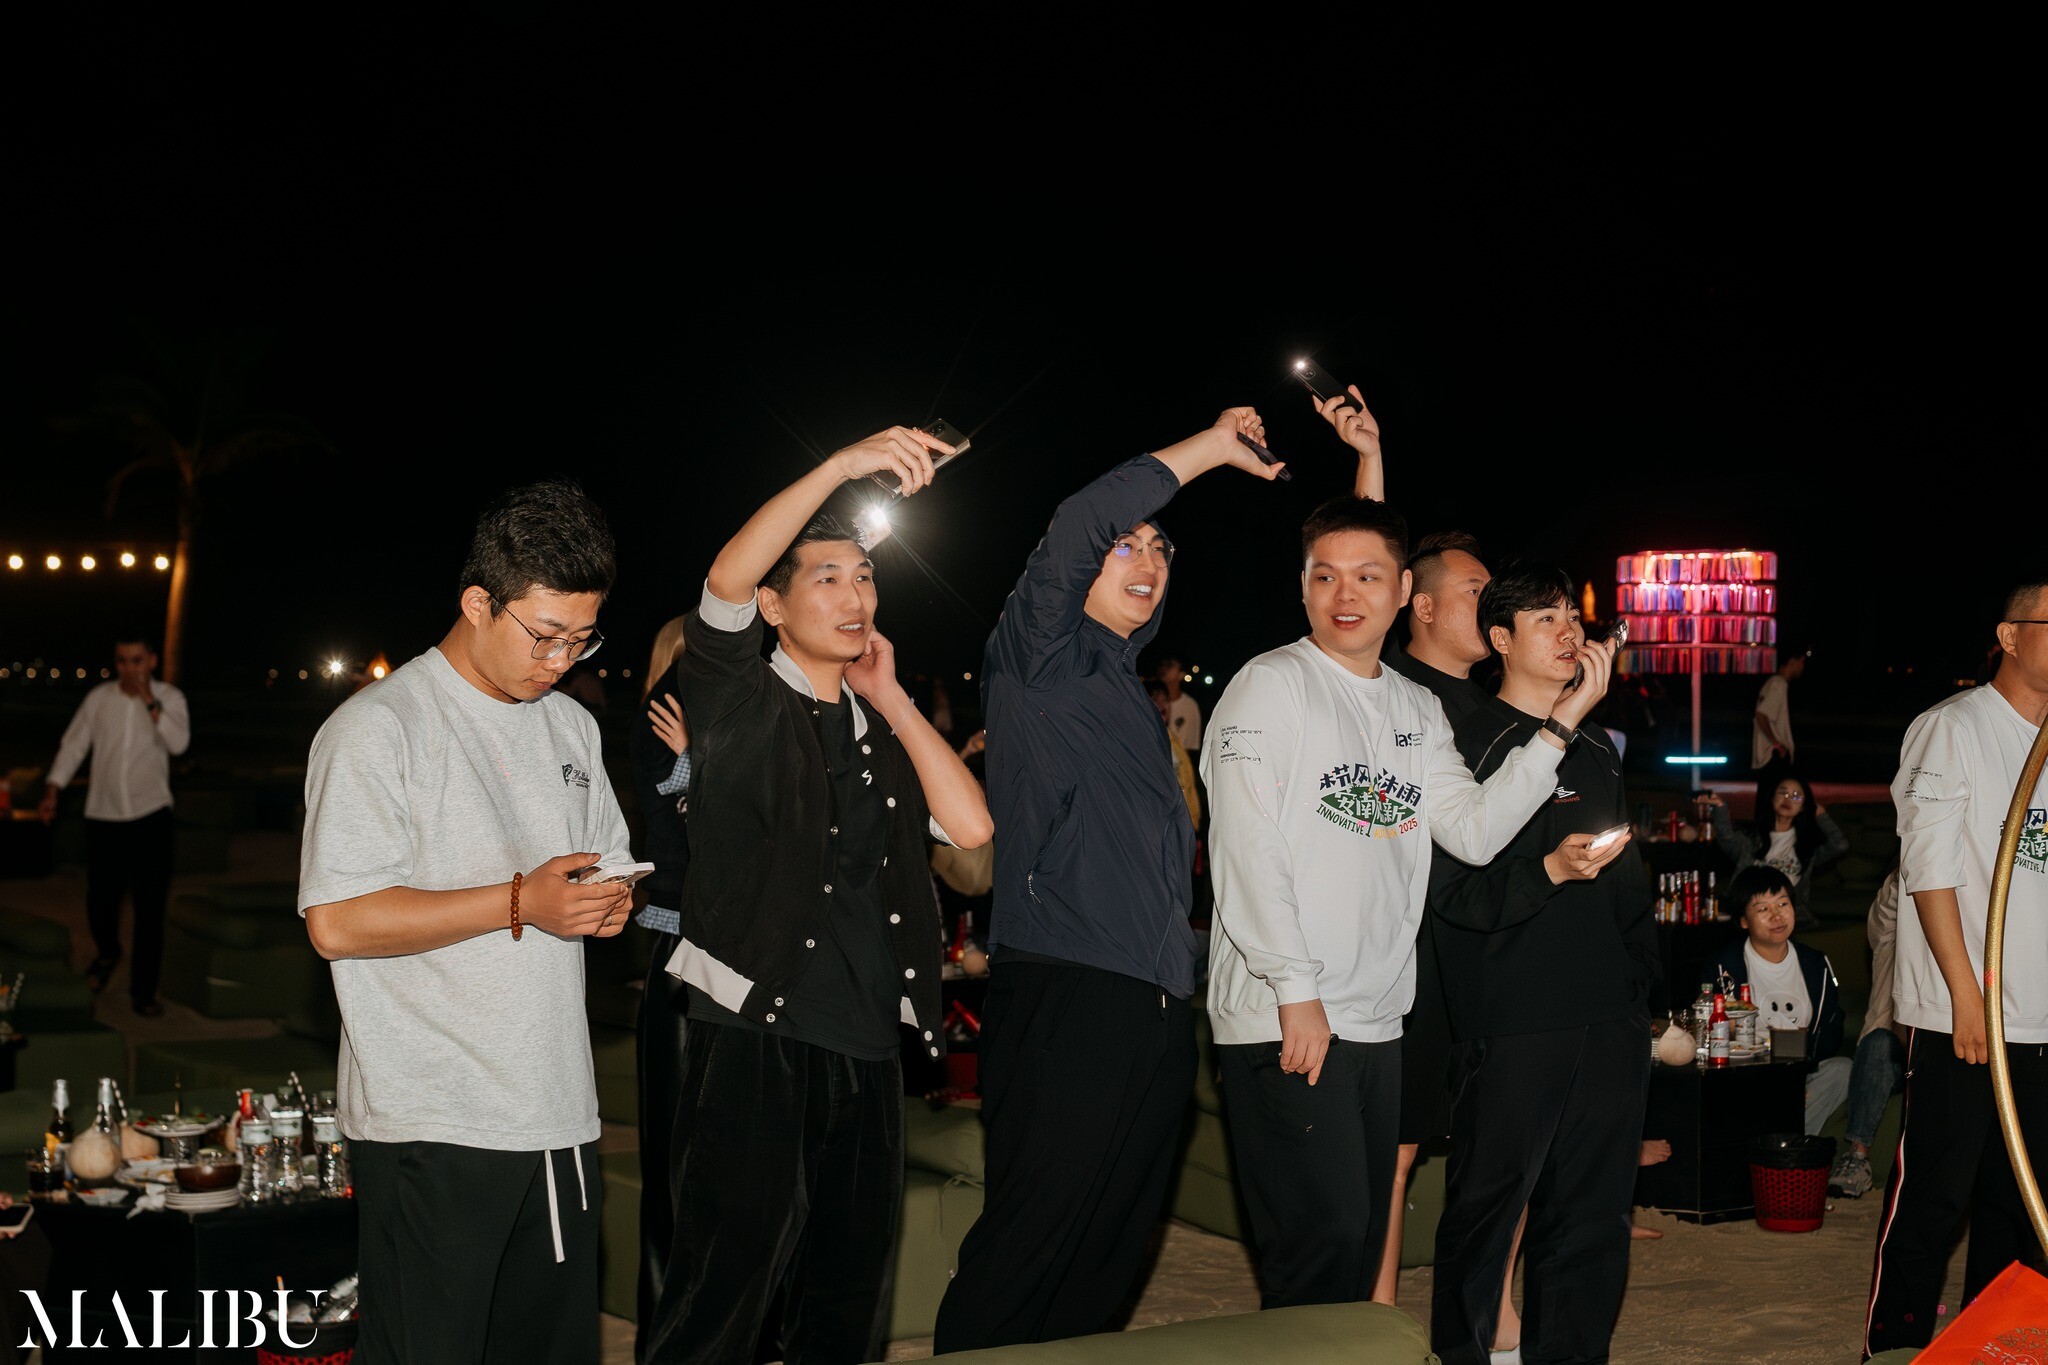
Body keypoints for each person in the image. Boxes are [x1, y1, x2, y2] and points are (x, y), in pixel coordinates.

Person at [1201, 502, 1619, 1313]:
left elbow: (1474, 831)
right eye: (1325, 575)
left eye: (1366, 576)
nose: (1344, 593)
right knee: (1316, 1250)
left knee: (1359, 1244)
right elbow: (1247, 850)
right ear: (1302, 586)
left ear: (1399, 592)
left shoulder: (1414, 707)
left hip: (1377, 1019)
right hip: (1286, 1013)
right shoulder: (1270, 685)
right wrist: (1295, 989)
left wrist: (1561, 724)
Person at [933, 406, 1289, 1354]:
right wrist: (1212, 449)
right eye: (1126, 545)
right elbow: (1080, 518)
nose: (1147, 559)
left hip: (1153, 1005)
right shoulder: (1037, 655)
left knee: (1108, 1250)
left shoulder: (1130, 697)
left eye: (1161, 550)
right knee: (1032, 1240)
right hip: (1067, 992)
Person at [651, 428, 991, 1365]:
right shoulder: (738, 698)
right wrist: (842, 467)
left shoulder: (880, 728)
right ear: (774, 604)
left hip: (869, 1044)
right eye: (828, 577)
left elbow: (970, 829)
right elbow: (724, 579)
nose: (854, 597)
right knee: (722, 1294)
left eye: (865, 578)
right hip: (756, 1035)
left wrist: (895, 698)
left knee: (844, 1301)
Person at [299, 479, 634, 1365]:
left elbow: (601, 861)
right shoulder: (380, 728)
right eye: (544, 634)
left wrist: (606, 902)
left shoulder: (572, 727)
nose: (561, 658)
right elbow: (336, 920)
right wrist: (521, 901)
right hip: (432, 1116)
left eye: (582, 637)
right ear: (478, 602)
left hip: (555, 1108)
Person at [1426, 562, 1659, 1365]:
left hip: (1607, 1018)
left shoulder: (1597, 744)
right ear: (1500, 639)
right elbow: (1453, 895)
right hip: (1513, 1019)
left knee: (1593, 1218)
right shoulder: (1470, 742)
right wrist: (1548, 873)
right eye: (1546, 619)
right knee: (1485, 1214)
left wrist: (1637, 992)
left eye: (1572, 618)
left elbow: (1629, 885)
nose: (1569, 633)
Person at [1864, 579, 2048, 1358]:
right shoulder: (1953, 727)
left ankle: (1992, 1345)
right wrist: (1965, 996)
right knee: (1934, 1198)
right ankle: (1892, 1346)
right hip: (1962, 1017)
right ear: (2009, 635)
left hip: (2040, 1017)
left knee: (2021, 1206)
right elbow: (1929, 872)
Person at [1374, 530, 1498, 1314]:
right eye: (1475, 590)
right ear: (1419, 605)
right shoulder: (1388, 691)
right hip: (1412, 952)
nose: (1493, 602)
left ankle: (1493, 1317)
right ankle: (1377, 1315)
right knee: (1399, 1144)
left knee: (1500, 1141)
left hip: (1488, 953)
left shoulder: (1501, 707)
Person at [39, 632, 191, 1017]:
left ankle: (144, 992)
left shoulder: (170, 697)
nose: (129, 668)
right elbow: (75, 744)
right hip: (104, 817)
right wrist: (53, 788)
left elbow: (178, 744)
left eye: (136, 660)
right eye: (122, 661)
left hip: (151, 816)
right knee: (101, 903)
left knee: (149, 909)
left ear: (151, 661)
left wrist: (149, 701)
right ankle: (108, 952)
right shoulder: (99, 698)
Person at [628, 614, 691, 1362]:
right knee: (681, 1158)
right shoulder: (669, 708)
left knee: (688, 1158)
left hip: (706, 948)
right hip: (685, 946)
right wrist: (698, 765)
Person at [1700, 865, 1850, 1134]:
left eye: (1783, 903)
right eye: (1763, 909)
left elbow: (1831, 1029)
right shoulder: (1724, 967)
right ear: (1743, 921)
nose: (1777, 916)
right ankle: (1785, 1138)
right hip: (1747, 1080)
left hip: (1802, 1075)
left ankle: (1781, 1139)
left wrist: (1793, 1080)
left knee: (1843, 1069)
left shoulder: (1816, 963)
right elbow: (1715, 1034)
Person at [1828, 866, 1905, 1198]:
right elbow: (1886, 910)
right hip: (1894, 1052)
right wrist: (1912, 865)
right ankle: (1857, 1158)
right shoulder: (1892, 939)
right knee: (1878, 1043)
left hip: (1944, 1049)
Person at [1701, 771, 1849, 930]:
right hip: (1750, 915)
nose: (1788, 799)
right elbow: (1726, 838)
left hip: (1789, 920)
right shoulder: (1751, 840)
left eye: (1796, 796)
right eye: (1783, 793)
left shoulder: (1806, 848)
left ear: (1803, 807)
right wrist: (1719, 806)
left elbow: (1840, 845)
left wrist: (1821, 815)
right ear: (1772, 798)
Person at [1146, 678, 1202, 828]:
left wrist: (1194, 824)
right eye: (1155, 699)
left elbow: (1188, 785)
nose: (1162, 704)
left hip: (1182, 826)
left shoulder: (1174, 741)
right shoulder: (1141, 742)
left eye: (1165, 700)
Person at [1751, 648, 1806, 782]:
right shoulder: (1778, 684)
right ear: (1792, 661)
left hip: (1768, 756)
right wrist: (1777, 744)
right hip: (1773, 756)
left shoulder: (1771, 683)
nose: (1802, 667)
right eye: (1801, 662)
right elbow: (1761, 715)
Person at [1154, 656, 1204, 754]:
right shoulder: (1149, 700)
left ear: (1181, 674)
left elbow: (1191, 745)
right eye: (1163, 664)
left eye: (1170, 665)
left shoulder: (1190, 705)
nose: (1165, 668)